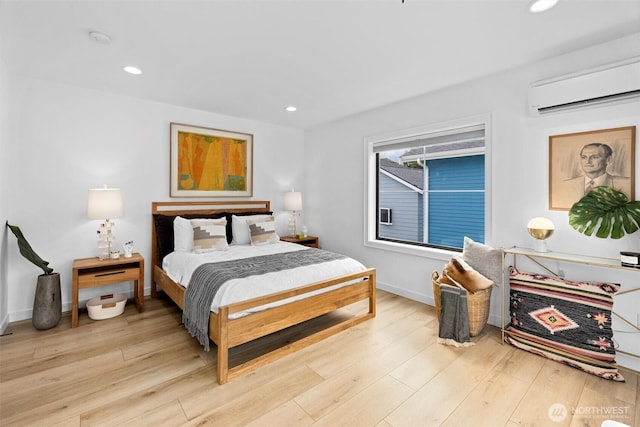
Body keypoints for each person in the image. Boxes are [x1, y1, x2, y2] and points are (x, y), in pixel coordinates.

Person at [561, 142, 630, 202]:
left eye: (595, 157)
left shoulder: (625, 184)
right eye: (584, 157)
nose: (588, 161)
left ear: (608, 160)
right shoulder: (567, 185)